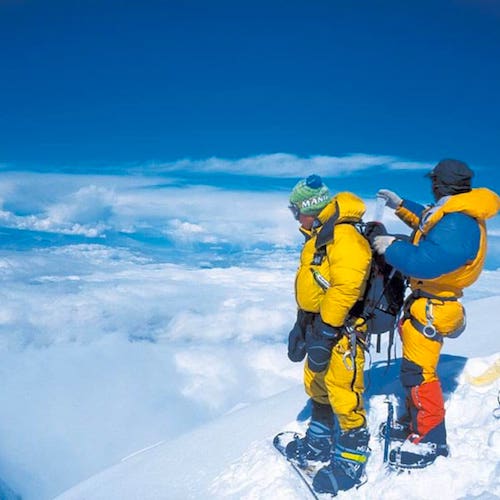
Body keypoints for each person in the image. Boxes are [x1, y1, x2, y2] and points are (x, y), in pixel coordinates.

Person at [374, 159, 500, 469]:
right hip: (430, 303)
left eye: (433, 182)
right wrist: (401, 205)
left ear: (439, 184)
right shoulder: (455, 212)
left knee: (419, 375)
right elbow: (428, 221)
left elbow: (427, 261)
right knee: (414, 372)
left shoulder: (459, 222)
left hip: (433, 307)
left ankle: (430, 437)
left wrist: (390, 248)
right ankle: (414, 421)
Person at [285, 174, 372, 495]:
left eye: (296, 211)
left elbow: (347, 286)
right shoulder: (319, 234)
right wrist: (301, 324)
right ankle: (320, 441)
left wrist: (326, 330)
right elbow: (314, 285)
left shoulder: (344, 236)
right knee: (317, 383)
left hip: (342, 330)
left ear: (311, 207)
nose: (295, 218)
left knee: (343, 389)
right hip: (317, 325)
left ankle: (351, 458)